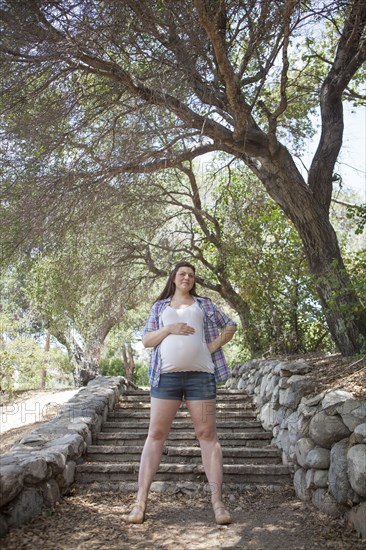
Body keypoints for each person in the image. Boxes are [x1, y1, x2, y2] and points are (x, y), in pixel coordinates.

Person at [127, 261, 237, 525]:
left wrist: (210, 347)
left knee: (207, 435)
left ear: (193, 280)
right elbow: (145, 340)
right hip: (165, 379)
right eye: (182, 274)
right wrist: (169, 329)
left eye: (191, 275)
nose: (187, 277)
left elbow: (230, 325)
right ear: (174, 278)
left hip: (202, 378)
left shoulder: (205, 304)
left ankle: (218, 503)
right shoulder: (160, 307)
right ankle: (140, 501)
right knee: (155, 434)